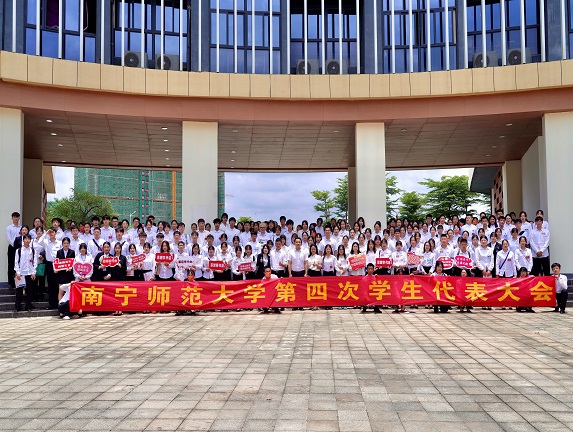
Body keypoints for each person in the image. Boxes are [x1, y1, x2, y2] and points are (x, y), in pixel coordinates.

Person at [14, 234, 37, 312]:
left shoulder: (32, 250)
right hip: (21, 273)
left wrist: (34, 272)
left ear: (30, 240)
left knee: (29, 291)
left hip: (29, 273)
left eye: (28, 239)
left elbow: (35, 262)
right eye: (25, 239)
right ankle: (17, 307)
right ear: (23, 240)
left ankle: (28, 306)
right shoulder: (19, 250)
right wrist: (17, 272)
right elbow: (16, 262)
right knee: (19, 291)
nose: (27, 240)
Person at [6, 211, 22, 289]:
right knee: (11, 265)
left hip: (19, 248)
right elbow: (9, 238)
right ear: (12, 218)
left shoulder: (21, 228)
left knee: (19, 264)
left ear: (19, 218)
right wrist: (14, 245)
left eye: (17, 217)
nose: (16, 218)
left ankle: (18, 282)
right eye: (14, 217)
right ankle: (11, 283)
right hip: (12, 248)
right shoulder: (9, 228)